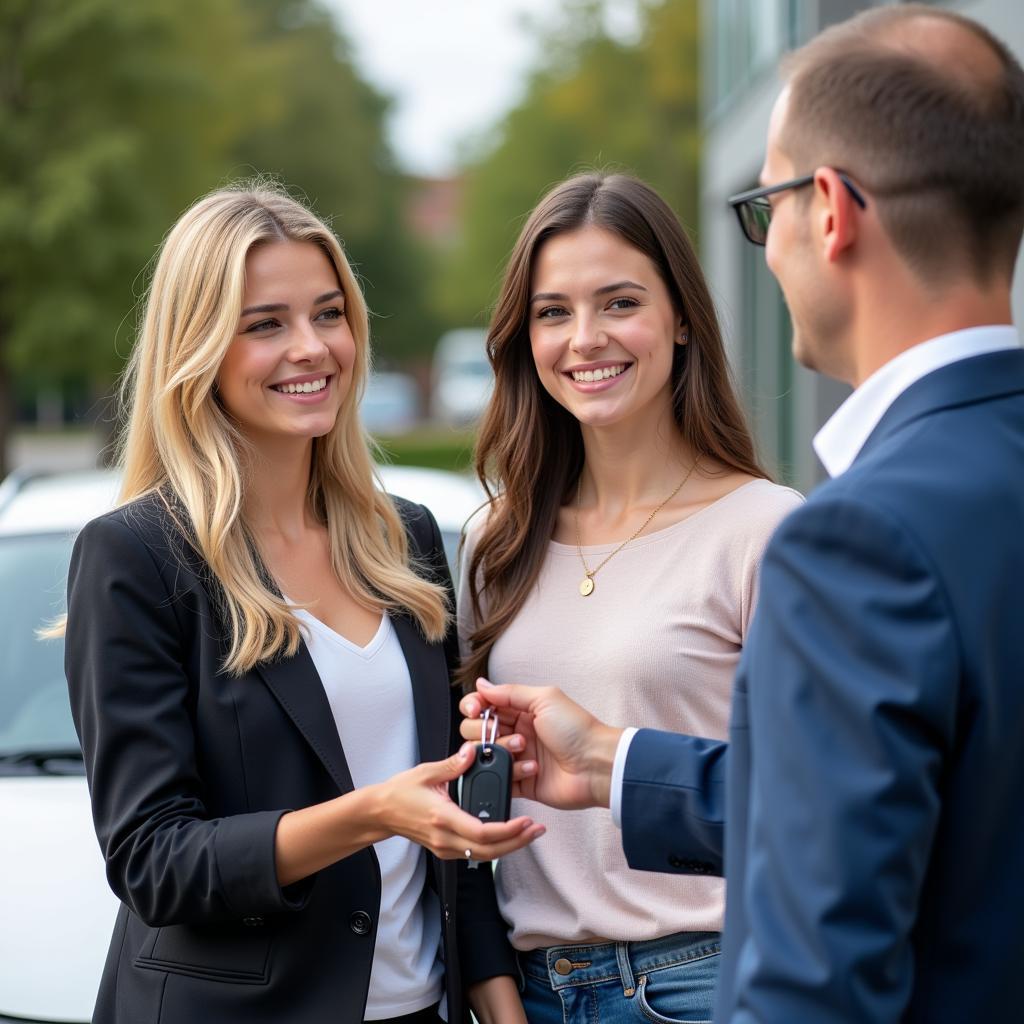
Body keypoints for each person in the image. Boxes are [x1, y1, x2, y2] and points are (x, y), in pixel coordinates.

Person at [461, 6, 1024, 1022]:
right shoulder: (492, 541)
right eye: (552, 310)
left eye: (767, 209)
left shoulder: (843, 535)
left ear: (831, 211)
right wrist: (606, 762)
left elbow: (823, 939)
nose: (766, 250)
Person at [63, 183, 543, 1024]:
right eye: (265, 324)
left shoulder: (407, 540)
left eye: (329, 314)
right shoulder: (135, 557)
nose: (312, 347)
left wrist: (499, 1006)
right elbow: (152, 860)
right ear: (200, 345)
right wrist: (369, 815)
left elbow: (454, 821)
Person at [457, 171, 801, 1023]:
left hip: (703, 980)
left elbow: (812, 802)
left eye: (619, 303)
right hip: (532, 991)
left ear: (681, 318)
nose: (585, 339)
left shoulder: (766, 530)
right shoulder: (492, 542)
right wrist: (498, 998)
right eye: (552, 312)